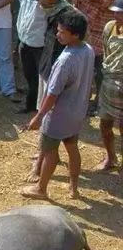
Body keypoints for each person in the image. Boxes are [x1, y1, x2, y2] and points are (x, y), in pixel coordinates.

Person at [21, 10, 93, 200]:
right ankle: (74, 188)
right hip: (76, 113)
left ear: (74, 34)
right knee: (72, 147)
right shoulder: (88, 50)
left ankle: (41, 188)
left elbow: (52, 94)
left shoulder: (65, 60)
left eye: (62, 32)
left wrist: (39, 116)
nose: (57, 34)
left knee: (49, 151)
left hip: (58, 116)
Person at [65, 0, 123, 112]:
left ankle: (99, 100)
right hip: (82, 22)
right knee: (82, 62)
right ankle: (82, 97)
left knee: (99, 65)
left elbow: (107, 0)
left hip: (101, 24)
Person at [96, 0, 123, 172]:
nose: (116, 15)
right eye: (115, 12)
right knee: (104, 124)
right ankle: (110, 157)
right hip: (108, 84)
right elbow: (106, 52)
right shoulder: (109, 27)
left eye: (120, 13)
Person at [17, 0, 48, 113]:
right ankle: (30, 105)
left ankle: (43, 107)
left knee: (43, 77)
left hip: (39, 42)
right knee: (29, 75)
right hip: (24, 39)